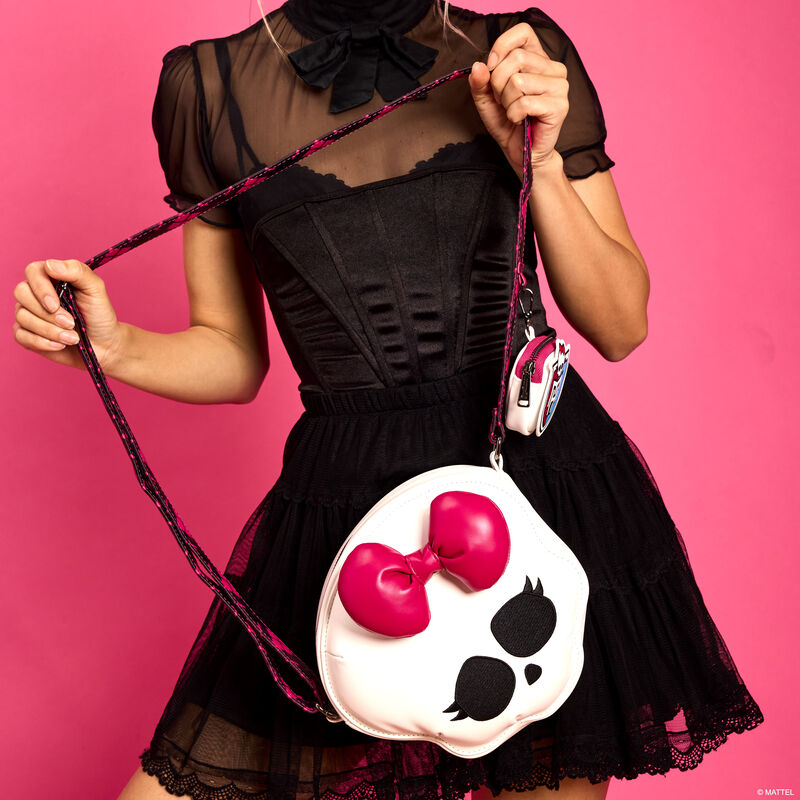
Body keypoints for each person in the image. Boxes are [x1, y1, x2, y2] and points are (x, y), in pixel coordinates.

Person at [13, 0, 764, 798]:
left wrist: (533, 158)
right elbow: (233, 356)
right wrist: (113, 344)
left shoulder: (517, 51)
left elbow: (619, 324)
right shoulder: (209, 88)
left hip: (537, 486)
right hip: (344, 509)